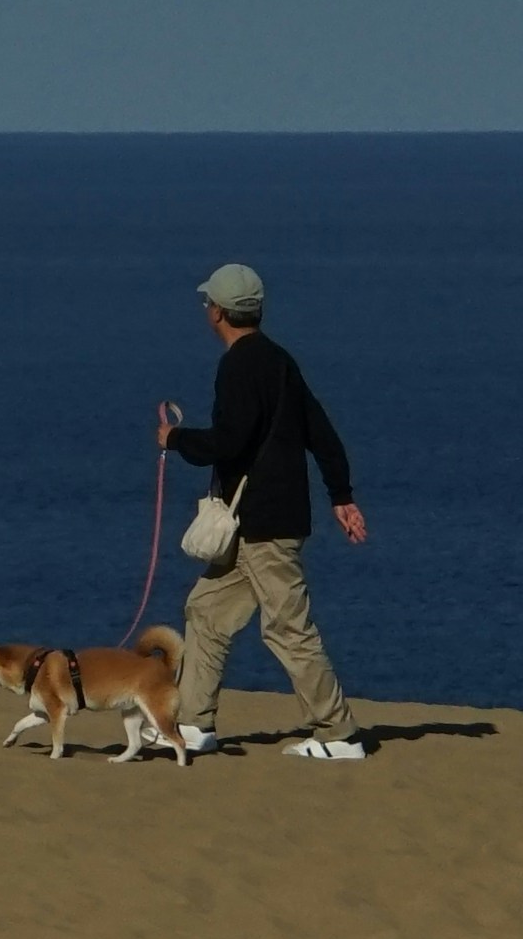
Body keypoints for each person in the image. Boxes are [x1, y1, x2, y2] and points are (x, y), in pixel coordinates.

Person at [155, 263, 371, 760]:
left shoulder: (239, 366)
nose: (206, 310)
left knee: (288, 629)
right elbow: (323, 433)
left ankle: (339, 734)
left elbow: (228, 442)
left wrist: (175, 439)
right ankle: (193, 725)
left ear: (219, 313)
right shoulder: (279, 361)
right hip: (258, 525)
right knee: (206, 610)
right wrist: (342, 496)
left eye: (209, 303)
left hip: (263, 528)